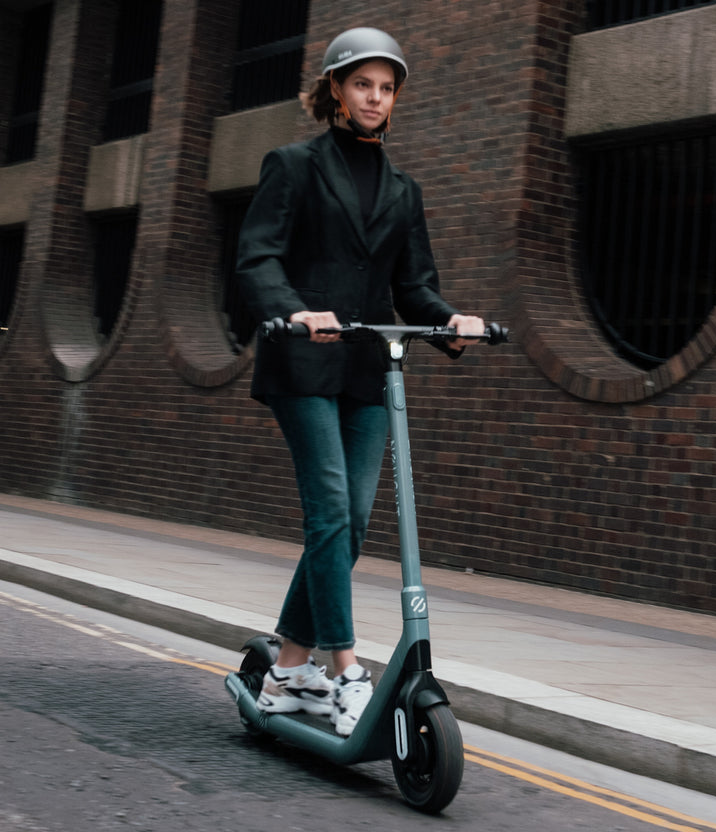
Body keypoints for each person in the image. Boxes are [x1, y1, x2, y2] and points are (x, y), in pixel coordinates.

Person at [236, 26, 484, 737]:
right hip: (303, 363)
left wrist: (454, 321)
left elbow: (416, 287)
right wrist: (291, 311)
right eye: (362, 84)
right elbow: (257, 259)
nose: (374, 98)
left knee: (355, 521)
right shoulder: (293, 165)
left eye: (386, 87)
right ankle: (343, 669)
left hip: (368, 369)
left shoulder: (405, 190)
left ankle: (287, 668)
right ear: (336, 91)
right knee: (332, 511)